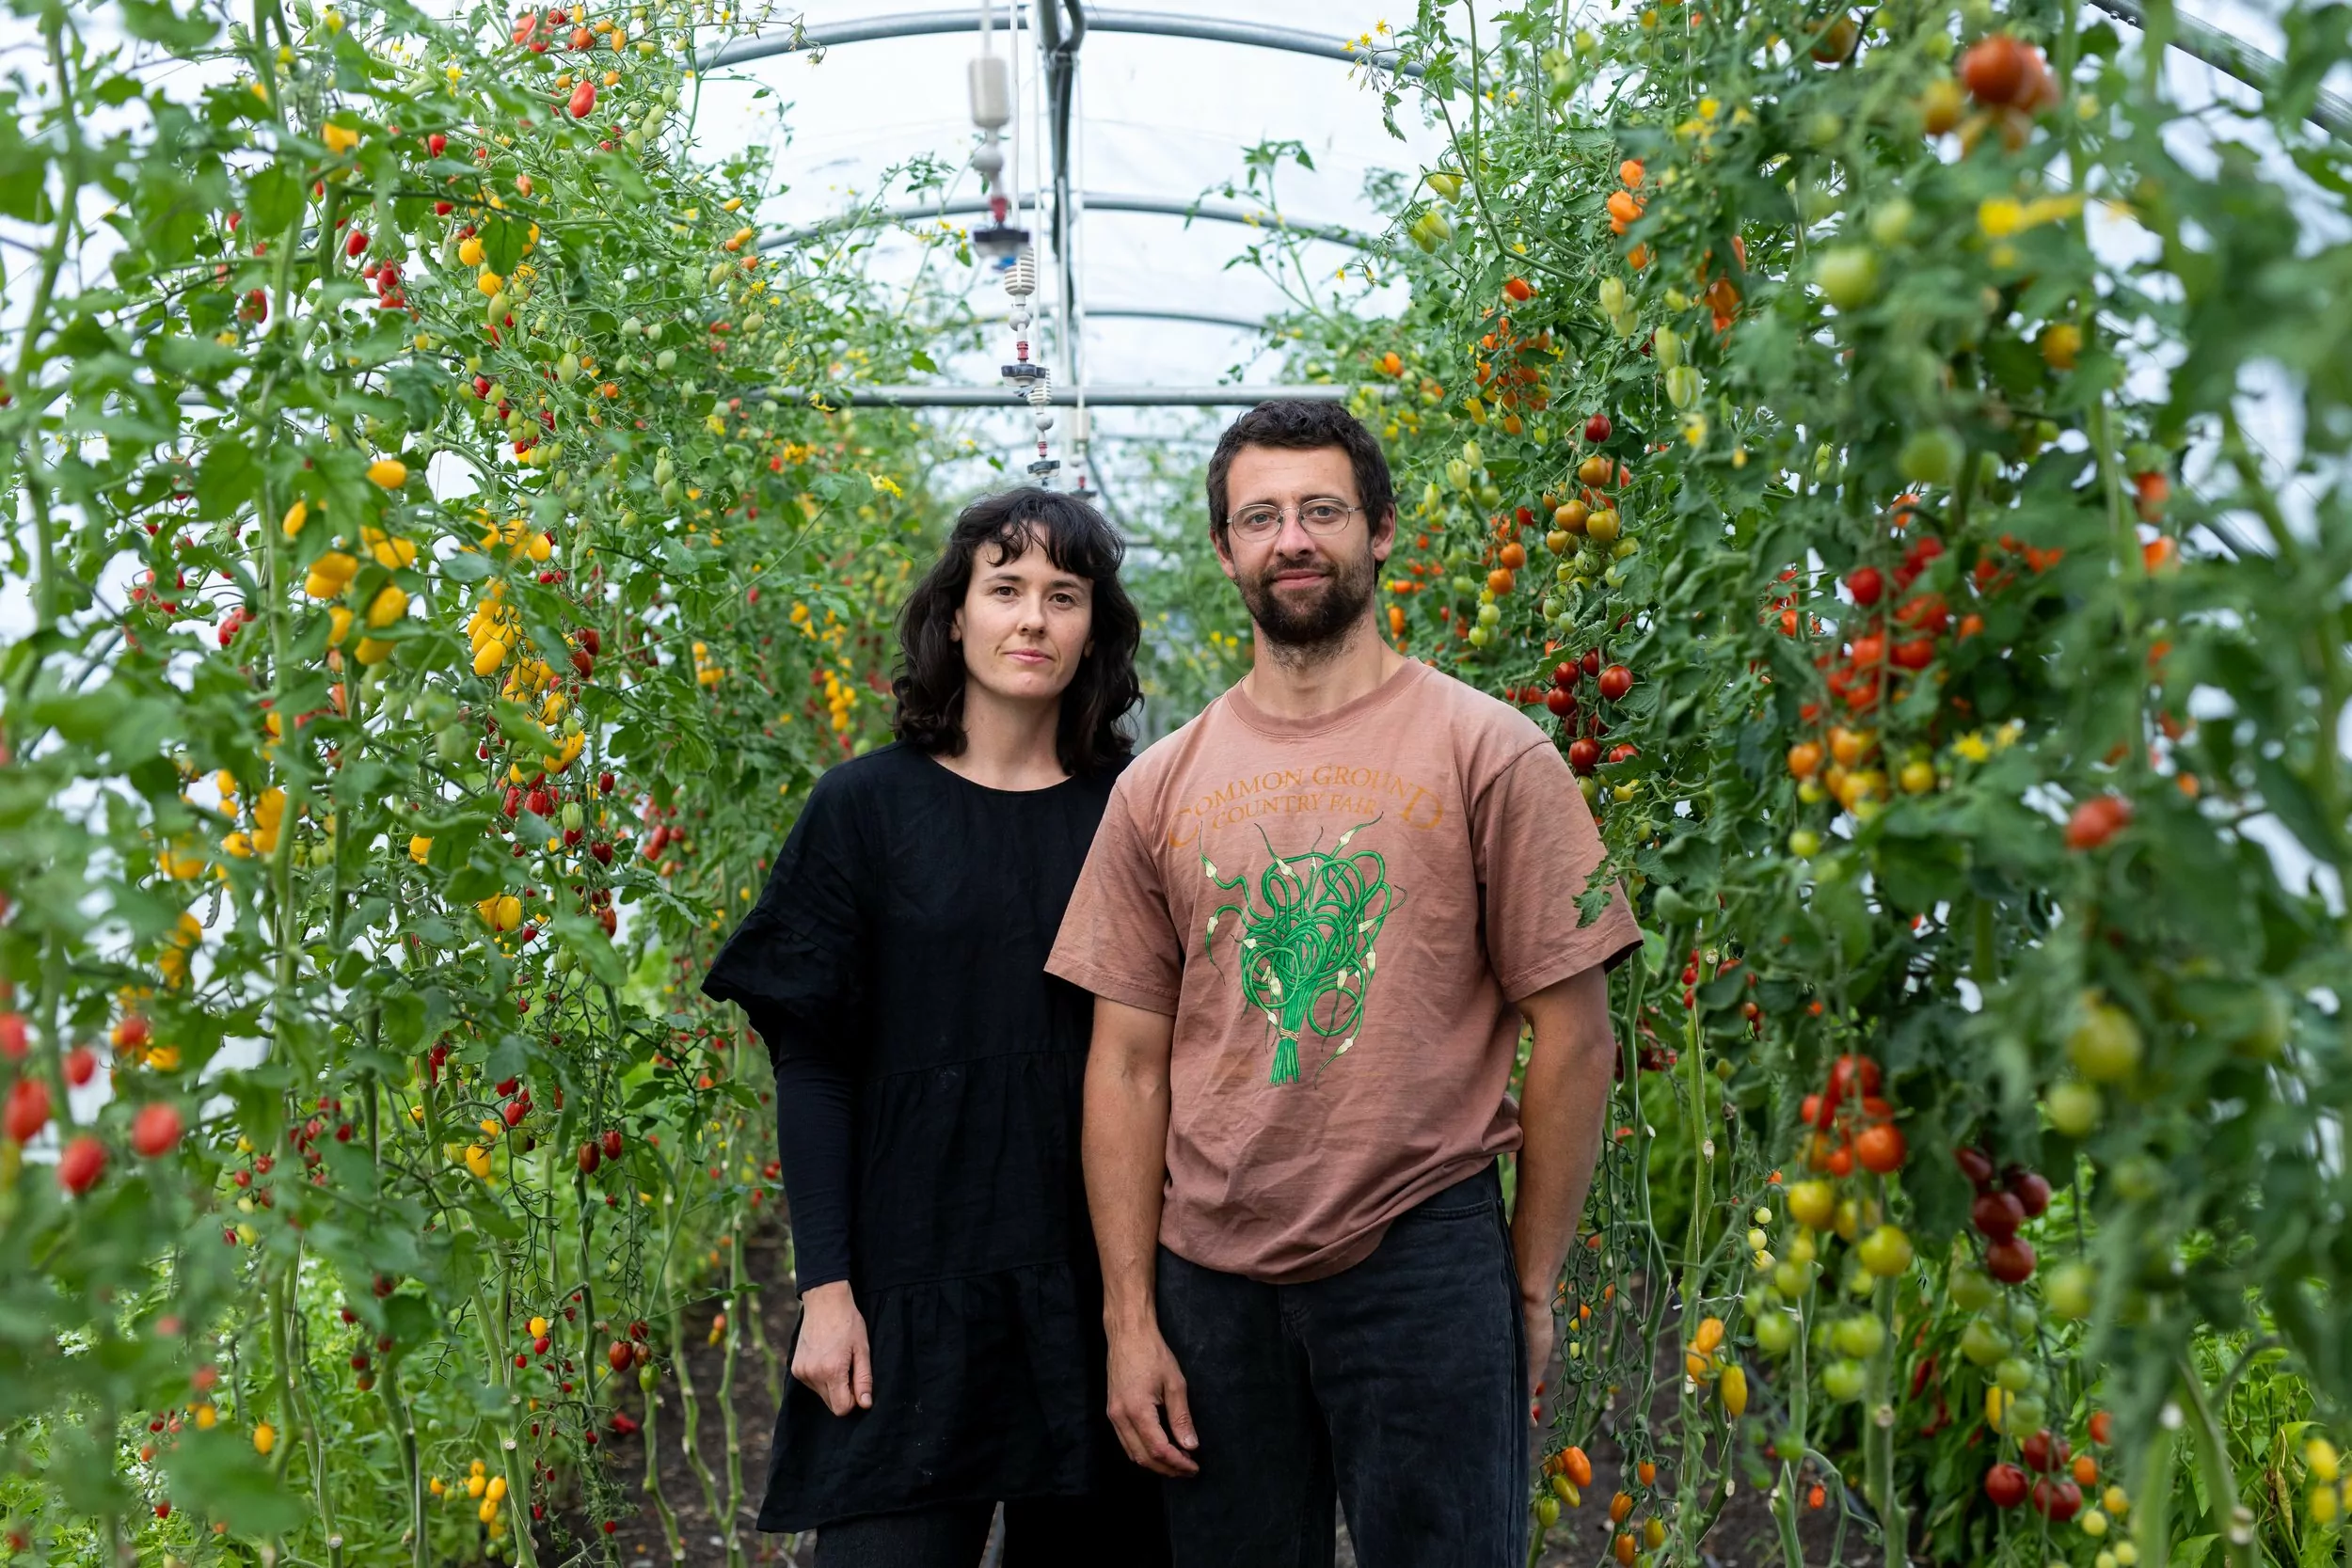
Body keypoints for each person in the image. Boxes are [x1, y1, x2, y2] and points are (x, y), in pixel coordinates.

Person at [1044, 402, 1643, 1568]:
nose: (1292, 539)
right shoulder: (1157, 785)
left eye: (1321, 510)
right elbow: (1124, 1064)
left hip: (1422, 1256)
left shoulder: (1490, 750)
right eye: (1259, 517)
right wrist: (1130, 1319)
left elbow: (1576, 1038)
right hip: (1208, 1273)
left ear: (1379, 530)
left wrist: (1525, 1283)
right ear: (1223, 549)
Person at [700, 486, 1170, 1568]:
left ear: (1094, 628)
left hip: (1093, 1291)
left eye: (1064, 594)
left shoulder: (1136, 811)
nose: (1033, 618)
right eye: (1004, 588)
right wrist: (825, 1292)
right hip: (908, 1284)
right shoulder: (860, 809)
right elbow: (814, 1067)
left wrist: (1148, 1313)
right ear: (953, 615)